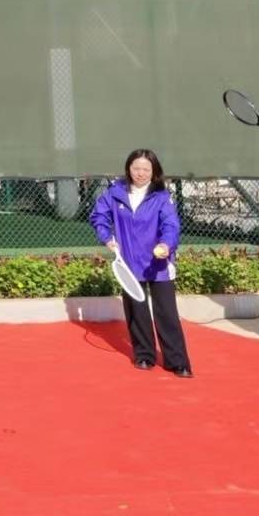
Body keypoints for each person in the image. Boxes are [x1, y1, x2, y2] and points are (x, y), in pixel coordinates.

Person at [90, 148, 192, 377]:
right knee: (137, 311)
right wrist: (107, 238)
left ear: (154, 171)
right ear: (128, 168)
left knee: (167, 313)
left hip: (159, 264)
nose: (140, 173)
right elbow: (98, 216)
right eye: (136, 168)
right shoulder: (114, 193)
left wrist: (166, 245)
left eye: (146, 169)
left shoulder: (162, 197)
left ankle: (178, 362)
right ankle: (144, 356)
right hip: (128, 263)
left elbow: (171, 225)